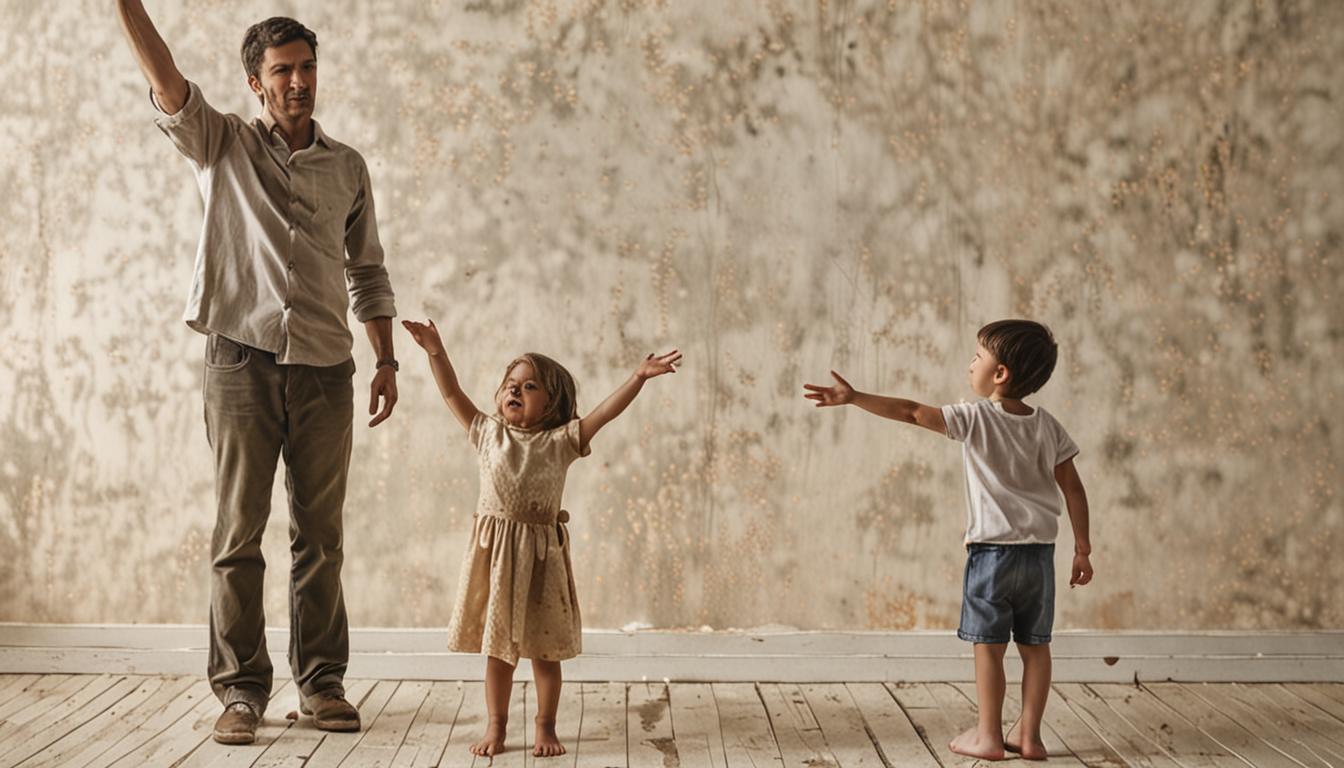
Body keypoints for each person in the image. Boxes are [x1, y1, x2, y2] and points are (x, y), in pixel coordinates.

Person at [114, 2, 399, 745]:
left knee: (320, 535)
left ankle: (322, 685)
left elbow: (367, 271)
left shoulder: (348, 166)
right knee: (239, 533)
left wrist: (387, 358)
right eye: (283, 71)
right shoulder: (222, 144)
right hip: (238, 360)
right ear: (255, 82)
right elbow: (165, 76)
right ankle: (241, 693)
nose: (299, 81)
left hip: (327, 369)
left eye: (307, 67)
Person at [804, 319, 1093, 761]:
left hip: (992, 554)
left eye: (978, 356)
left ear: (1000, 374)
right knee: (1036, 646)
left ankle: (989, 736)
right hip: (1040, 556)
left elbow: (911, 411)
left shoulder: (975, 418)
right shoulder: (1048, 427)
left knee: (989, 648)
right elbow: (1073, 488)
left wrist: (856, 397)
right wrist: (1083, 548)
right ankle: (1031, 737)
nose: (970, 363)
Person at [402, 318, 680, 758]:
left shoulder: (560, 441)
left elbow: (603, 414)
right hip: (495, 560)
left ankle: (546, 726)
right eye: (511, 383)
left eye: (530, 387)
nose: (515, 390)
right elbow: (452, 392)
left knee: (544, 652)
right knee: (498, 651)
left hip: (541, 560)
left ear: (554, 404)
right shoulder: (487, 433)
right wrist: (436, 351)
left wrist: (637, 377)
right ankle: (496, 725)